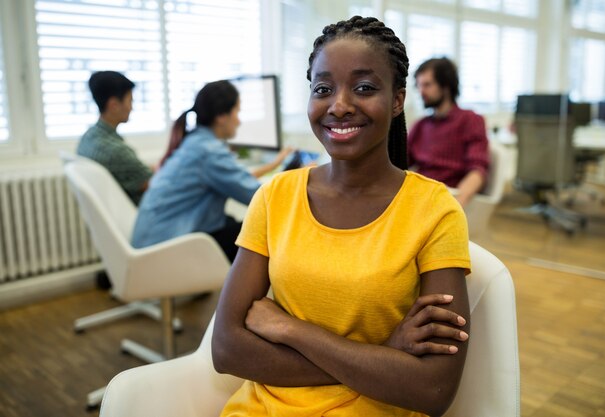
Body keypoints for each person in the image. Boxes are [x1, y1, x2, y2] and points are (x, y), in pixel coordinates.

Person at [212, 16, 471, 417]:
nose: (339, 105)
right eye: (323, 89)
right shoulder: (275, 196)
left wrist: (290, 329)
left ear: (398, 100)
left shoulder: (435, 211)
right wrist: (382, 357)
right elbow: (227, 350)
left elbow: (433, 388)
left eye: (364, 88)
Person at [131, 80, 291, 262]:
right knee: (265, 229)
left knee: (232, 221)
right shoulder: (209, 152)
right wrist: (296, 184)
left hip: (152, 240)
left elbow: (238, 180)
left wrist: (276, 166)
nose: (239, 121)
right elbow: (257, 198)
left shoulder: (195, 143)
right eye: (237, 112)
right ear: (222, 116)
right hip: (165, 249)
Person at [407, 57, 489, 207]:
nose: (421, 91)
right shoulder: (421, 125)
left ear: (445, 86)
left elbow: (477, 171)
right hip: (417, 195)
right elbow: (399, 162)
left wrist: (455, 207)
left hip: (446, 199)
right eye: (419, 85)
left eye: (427, 85)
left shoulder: (470, 120)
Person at [77, 71, 153, 205]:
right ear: (114, 105)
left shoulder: (88, 138)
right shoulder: (115, 151)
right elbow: (153, 184)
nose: (131, 108)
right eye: (130, 101)